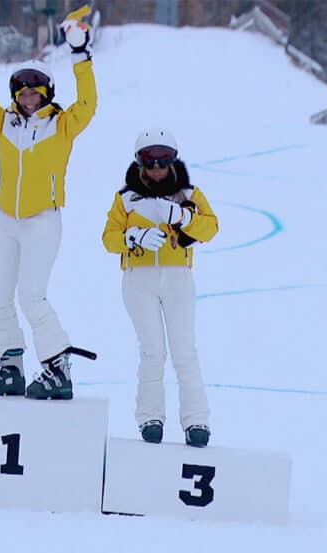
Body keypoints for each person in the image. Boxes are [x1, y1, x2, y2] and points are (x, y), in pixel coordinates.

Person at [0, 17, 98, 400]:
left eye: (35, 91)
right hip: (6, 221)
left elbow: (88, 103)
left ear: (46, 93)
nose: (28, 97)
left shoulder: (62, 125)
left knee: (32, 295)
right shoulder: (3, 123)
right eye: (22, 91)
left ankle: (57, 365)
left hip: (43, 219)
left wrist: (80, 54)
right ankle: (10, 363)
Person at [101, 129, 219, 447]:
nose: (156, 168)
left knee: (184, 350)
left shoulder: (189, 194)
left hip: (177, 276)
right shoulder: (126, 198)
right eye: (150, 161)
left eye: (163, 161)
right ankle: (150, 416)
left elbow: (211, 227)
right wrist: (131, 237)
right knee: (152, 350)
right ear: (140, 162)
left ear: (172, 161)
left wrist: (182, 216)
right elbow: (108, 237)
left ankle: (197, 420)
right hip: (139, 280)